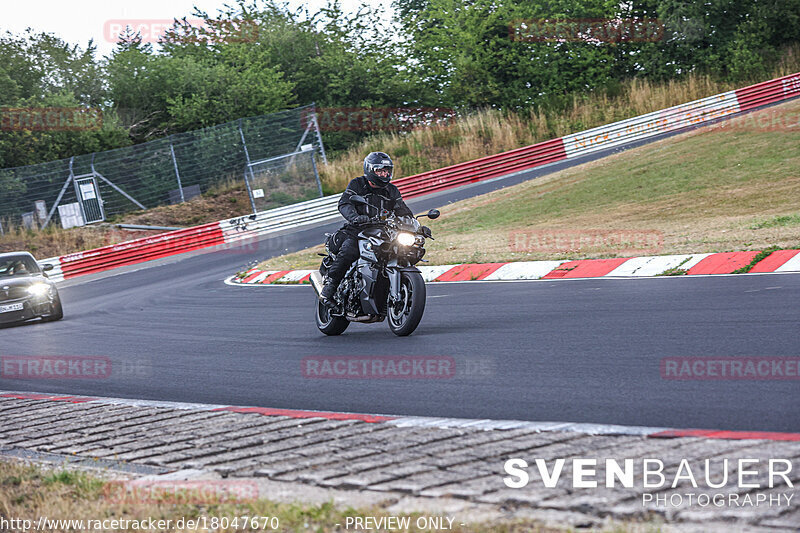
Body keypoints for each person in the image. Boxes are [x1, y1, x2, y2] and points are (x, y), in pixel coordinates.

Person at [320, 152, 413, 306]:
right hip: (358, 229)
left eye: (387, 170)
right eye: (380, 170)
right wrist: (355, 217)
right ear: (370, 170)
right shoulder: (358, 184)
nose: (384, 174)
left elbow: (402, 209)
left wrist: (415, 225)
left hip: (383, 232)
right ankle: (330, 287)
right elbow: (345, 203)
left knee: (404, 248)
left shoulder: (392, 190)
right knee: (350, 250)